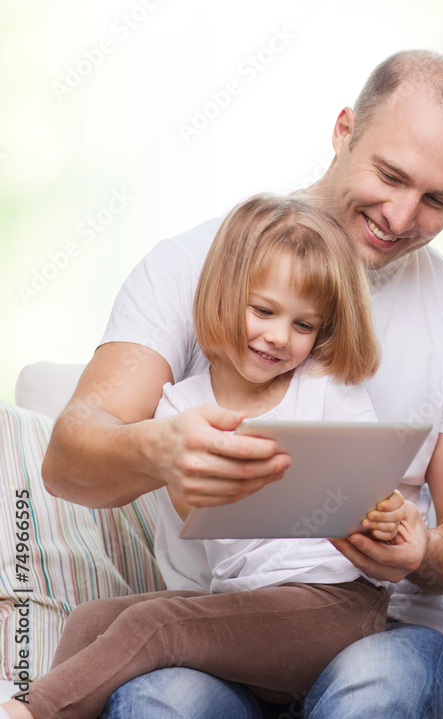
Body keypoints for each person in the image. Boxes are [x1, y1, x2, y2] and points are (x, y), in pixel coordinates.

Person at [42, 51, 443, 719]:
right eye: (390, 175)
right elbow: (69, 457)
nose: (403, 215)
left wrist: (418, 550)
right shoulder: (194, 267)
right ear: (343, 129)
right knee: (158, 699)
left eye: (438, 200)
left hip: (381, 629)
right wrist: (159, 450)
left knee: (378, 686)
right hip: (221, 629)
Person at [3, 193, 408, 719]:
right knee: (93, 618)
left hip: (336, 604)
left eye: (303, 325)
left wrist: (390, 516)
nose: (278, 337)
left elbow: (373, 493)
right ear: (222, 294)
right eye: (263, 310)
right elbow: (199, 516)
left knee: (158, 625)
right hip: (247, 606)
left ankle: (29, 712)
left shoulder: (329, 389)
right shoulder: (181, 404)